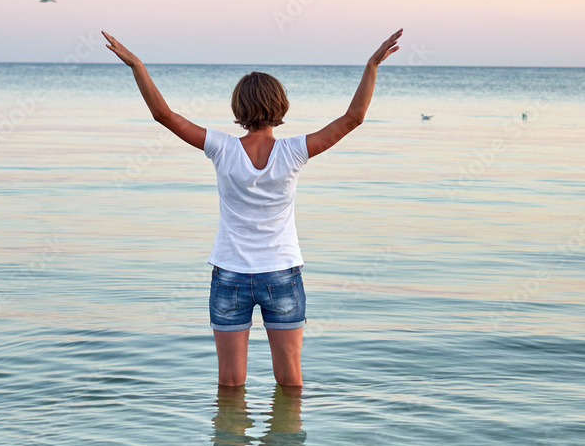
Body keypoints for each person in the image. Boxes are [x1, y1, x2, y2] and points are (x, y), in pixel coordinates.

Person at [101, 28, 403, 388]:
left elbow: (163, 115)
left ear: (237, 108)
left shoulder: (221, 148)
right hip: (282, 273)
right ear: (281, 106)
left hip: (230, 274)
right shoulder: (294, 151)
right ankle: (286, 444)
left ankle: (229, 444)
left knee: (230, 384)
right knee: (290, 382)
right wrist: (371, 66)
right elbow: (353, 118)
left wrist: (137, 65)